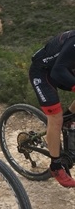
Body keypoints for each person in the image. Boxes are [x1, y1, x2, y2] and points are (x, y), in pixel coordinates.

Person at [29, 30, 75, 188]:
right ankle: (55, 167)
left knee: (64, 119)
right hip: (42, 72)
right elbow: (58, 71)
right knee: (55, 118)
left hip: (61, 68)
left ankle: (69, 119)